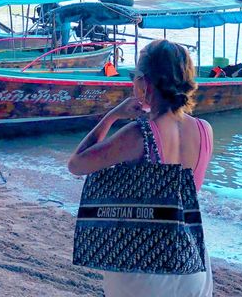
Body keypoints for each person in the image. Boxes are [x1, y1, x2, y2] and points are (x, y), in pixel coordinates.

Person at [68, 39, 214, 297]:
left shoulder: (139, 134)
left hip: (143, 268)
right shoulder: (205, 130)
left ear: (145, 83)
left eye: (135, 76)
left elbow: (77, 164)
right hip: (191, 262)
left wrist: (111, 115)